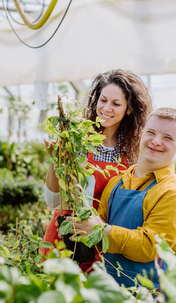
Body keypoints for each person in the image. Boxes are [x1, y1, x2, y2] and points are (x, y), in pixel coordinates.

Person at [40, 69, 153, 272]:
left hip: (101, 243)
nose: (106, 108)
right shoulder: (77, 139)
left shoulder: (132, 154)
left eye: (116, 104)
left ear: (129, 109)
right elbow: (52, 201)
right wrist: (55, 159)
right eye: (103, 100)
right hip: (65, 236)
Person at [69, 107, 176, 288]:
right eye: (151, 132)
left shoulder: (174, 194)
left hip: (152, 294)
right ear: (142, 134)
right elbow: (96, 233)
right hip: (111, 289)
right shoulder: (117, 182)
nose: (156, 141)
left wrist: (101, 230)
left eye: (167, 138)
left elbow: (150, 246)